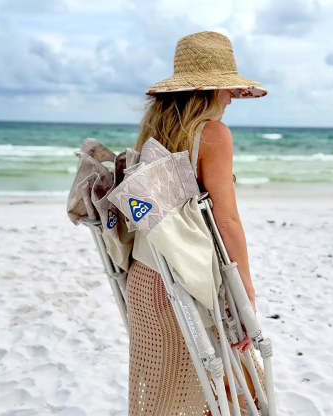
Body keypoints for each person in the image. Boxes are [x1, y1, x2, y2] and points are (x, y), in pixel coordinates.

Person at [126, 31, 268, 415]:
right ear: (207, 89)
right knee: (231, 392)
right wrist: (245, 290)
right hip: (186, 286)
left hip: (145, 279)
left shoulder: (155, 130)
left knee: (176, 399)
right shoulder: (213, 134)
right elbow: (227, 219)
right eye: (226, 88)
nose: (231, 98)